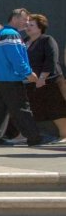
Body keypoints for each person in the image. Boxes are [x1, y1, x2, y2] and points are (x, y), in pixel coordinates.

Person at [0, 9, 44, 145]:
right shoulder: (12, 35)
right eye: (25, 19)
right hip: (11, 77)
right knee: (21, 108)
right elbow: (16, 57)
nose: (27, 23)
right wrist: (28, 73)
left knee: (0, 108)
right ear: (15, 18)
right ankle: (34, 137)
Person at [24, 13, 66, 142]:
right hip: (32, 81)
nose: (28, 27)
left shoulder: (47, 40)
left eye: (31, 25)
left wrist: (42, 77)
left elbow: (51, 59)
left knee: (56, 107)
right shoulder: (24, 42)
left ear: (40, 27)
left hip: (50, 80)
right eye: (27, 25)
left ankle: (64, 134)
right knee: (37, 108)